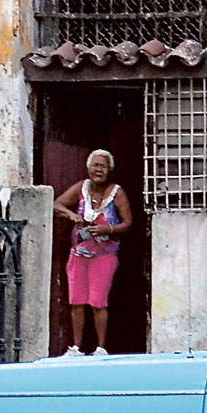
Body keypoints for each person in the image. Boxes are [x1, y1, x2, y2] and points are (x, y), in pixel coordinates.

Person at [52, 149, 136, 356]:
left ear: (110, 170)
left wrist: (107, 229)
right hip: (79, 253)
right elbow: (56, 204)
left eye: (103, 166)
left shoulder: (117, 192)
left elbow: (128, 224)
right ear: (88, 168)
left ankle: (101, 348)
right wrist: (72, 216)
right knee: (77, 301)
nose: (99, 170)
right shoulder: (82, 188)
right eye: (95, 165)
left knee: (98, 302)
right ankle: (77, 347)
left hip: (104, 256)